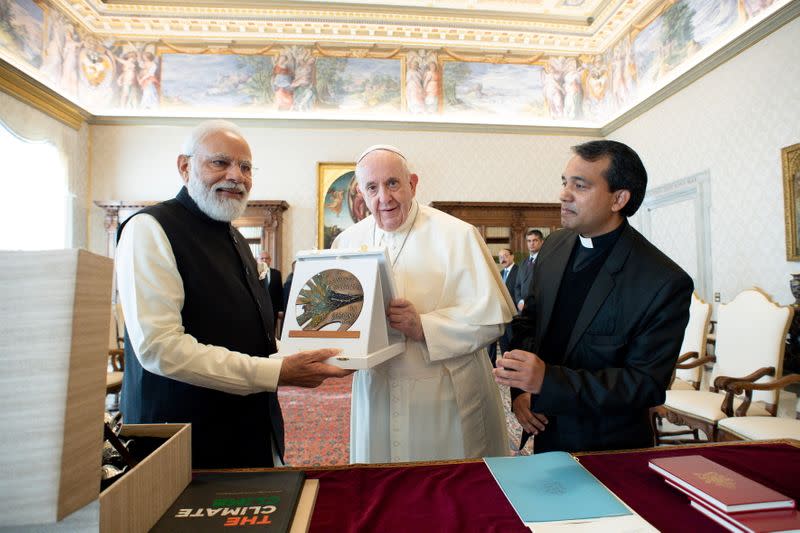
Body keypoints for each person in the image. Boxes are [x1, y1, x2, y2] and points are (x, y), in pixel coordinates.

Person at [116, 120, 352, 468]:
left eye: (245, 167)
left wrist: (331, 348)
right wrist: (276, 373)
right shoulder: (150, 229)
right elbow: (160, 349)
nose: (236, 176)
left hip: (248, 426)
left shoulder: (235, 238)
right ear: (185, 166)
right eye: (220, 162)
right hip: (181, 440)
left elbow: (248, 335)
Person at [494, 140, 693, 454]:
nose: (564, 194)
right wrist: (522, 390)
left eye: (580, 185)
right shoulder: (555, 246)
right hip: (545, 428)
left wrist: (548, 382)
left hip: (608, 446)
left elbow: (644, 384)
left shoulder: (662, 281)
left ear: (618, 198)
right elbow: (528, 325)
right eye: (564, 182)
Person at [332, 145, 515, 463]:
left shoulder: (457, 236)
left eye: (392, 183)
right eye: (372, 188)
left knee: (446, 489)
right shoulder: (346, 242)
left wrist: (423, 326)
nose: (383, 199)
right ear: (361, 193)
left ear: (412, 184)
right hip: (375, 389)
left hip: (443, 392)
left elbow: (490, 321)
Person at [487, 248, 518, 367]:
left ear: (512, 256)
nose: (502, 259)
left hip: (514, 313)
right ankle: (505, 366)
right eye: (500, 257)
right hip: (501, 314)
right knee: (504, 342)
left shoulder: (519, 270)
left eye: (505, 255)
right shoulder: (500, 274)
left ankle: (512, 366)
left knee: (512, 342)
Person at [514, 229, 543, 311]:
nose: (531, 243)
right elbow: (517, 286)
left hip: (538, 308)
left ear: (541, 242)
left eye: (535, 240)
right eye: (529, 241)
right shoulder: (523, 263)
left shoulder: (546, 261)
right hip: (523, 308)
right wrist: (519, 301)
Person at [259, 250, 284, 320]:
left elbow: (280, 292)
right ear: (258, 260)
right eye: (262, 258)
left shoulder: (276, 273)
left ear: (270, 260)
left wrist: (281, 309)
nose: (264, 260)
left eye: (266, 258)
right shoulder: (254, 273)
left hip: (273, 309)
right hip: (259, 309)